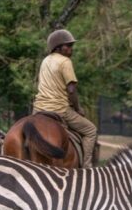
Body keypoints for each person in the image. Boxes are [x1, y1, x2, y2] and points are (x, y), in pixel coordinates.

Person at [32, 29, 97, 168]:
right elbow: (72, 90)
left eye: (71, 46)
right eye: (68, 45)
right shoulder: (65, 61)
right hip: (59, 109)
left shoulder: (45, 61)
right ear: (58, 47)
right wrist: (78, 108)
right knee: (91, 130)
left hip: (38, 109)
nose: (71, 49)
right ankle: (86, 166)